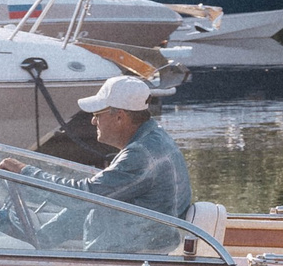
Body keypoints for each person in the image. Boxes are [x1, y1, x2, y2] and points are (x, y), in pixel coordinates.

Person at [56, 74, 192, 220]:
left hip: (145, 241)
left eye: (97, 114)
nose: (93, 121)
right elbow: (93, 198)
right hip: (152, 235)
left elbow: (82, 198)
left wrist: (29, 173)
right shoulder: (154, 137)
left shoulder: (140, 154)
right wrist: (45, 235)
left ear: (119, 117)